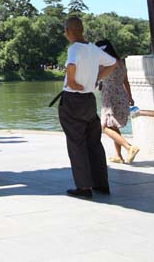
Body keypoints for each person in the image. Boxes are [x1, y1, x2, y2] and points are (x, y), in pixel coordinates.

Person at [59, 16, 118, 199]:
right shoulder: (93, 48)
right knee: (93, 142)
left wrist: (71, 81)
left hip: (72, 100)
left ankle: (84, 187)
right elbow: (113, 63)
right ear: (82, 30)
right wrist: (96, 78)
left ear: (68, 32)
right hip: (88, 100)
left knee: (76, 143)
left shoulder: (74, 48)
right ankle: (101, 184)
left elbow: (70, 65)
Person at [94, 39, 140, 165]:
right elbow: (126, 81)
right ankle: (118, 156)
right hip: (121, 94)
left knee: (105, 127)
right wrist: (130, 97)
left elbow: (95, 77)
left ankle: (129, 147)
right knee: (112, 126)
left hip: (110, 96)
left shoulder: (105, 63)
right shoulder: (120, 62)